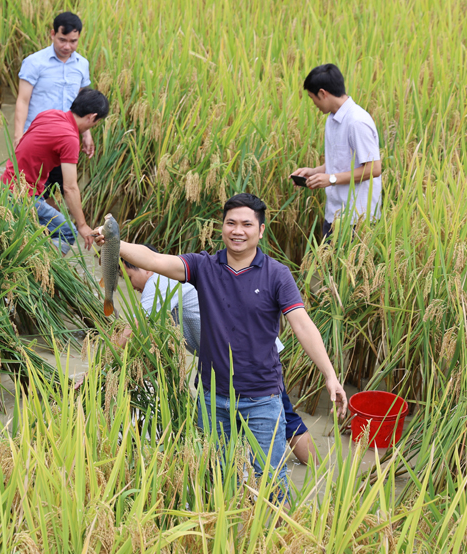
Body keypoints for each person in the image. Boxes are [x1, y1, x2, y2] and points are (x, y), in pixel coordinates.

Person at [94, 193, 346, 496]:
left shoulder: (277, 274)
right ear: (222, 227)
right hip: (213, 400)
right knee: (217, 481)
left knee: (271, 484)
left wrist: (330, 374)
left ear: (260, 230)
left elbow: (302, 324)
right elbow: (154, 260)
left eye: (246, 224)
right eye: (231, 223)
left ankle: (304, 508)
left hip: (262, 398)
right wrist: (114, 242)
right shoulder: (204, 267)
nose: (238, 230)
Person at [118, 247, 319, 466]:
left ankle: (316, 472)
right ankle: (310, 471)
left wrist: (105, 359)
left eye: (129, 277)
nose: (132, 286)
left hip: (251, 356)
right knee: (279, 417)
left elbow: (135, 325)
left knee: (285, 416)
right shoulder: (172, 280)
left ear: (146, 269)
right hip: (232, 358)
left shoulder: (159, 281)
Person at [2, 88, 109, 254]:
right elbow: (70, 187)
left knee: (41, 229)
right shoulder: (70, 138)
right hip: (22, 196)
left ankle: (28, 255)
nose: (93, 126)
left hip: (5, 183)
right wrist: (82, 225)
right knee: (67, 232)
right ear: (92, 117)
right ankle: (40, 266)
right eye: (96, 123)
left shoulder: (49, 114)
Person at [291, 64, 382, 239]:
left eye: (312, 98)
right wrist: (314, 172)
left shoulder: (357, 122)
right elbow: (339, 162)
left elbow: (374, 168)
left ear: (323, 93)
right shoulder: (332, 119)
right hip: (334, 214)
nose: (314, 104)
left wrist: (331, 179)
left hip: (357, 219)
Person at [13, 12, 93, 204]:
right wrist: (18, 135)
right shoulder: (34, 62)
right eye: (62, 40)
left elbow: (82, 104)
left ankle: (53, 223)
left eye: (73, 41)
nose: (67, 46)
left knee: (59, 192)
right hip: (36, 140)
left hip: (65, 140)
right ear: (52, 34)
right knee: (29, 194)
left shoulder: (82, 65)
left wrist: (86, 134)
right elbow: (23, 101)